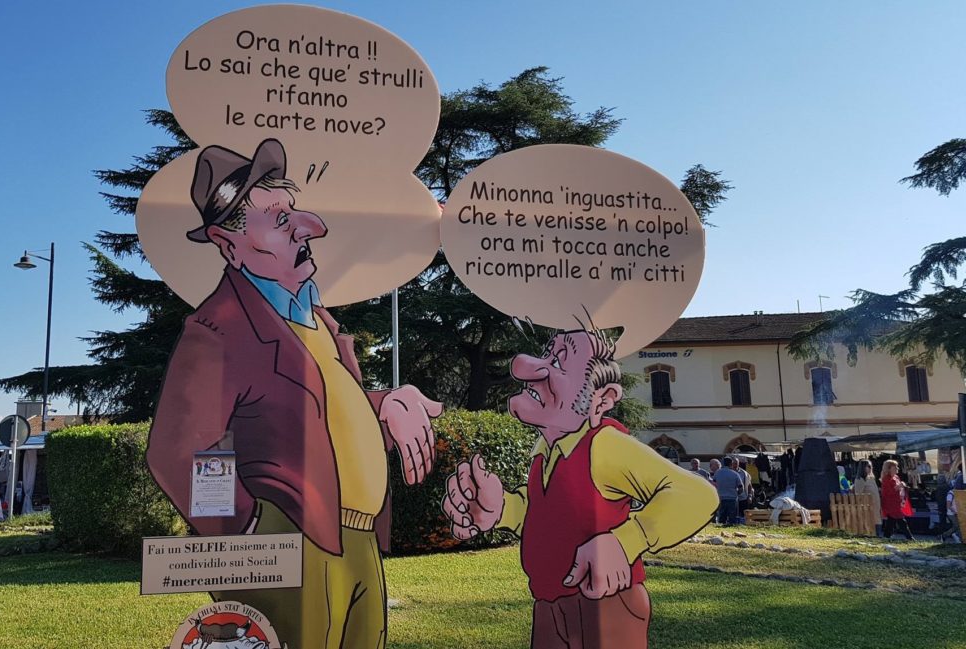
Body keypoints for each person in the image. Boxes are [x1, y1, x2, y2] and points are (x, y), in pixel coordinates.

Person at [147, 138, 443, 648]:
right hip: (294, 544)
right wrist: (250, 530)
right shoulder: (219, 330)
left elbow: (320, 409)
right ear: (228, 243)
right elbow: (180, 451)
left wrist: (385, 405)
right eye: (281, 219)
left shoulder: (315, 317)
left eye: (294, 211)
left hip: (357, 541)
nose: (311, 226)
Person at [441, 329, 717, 649]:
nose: (528, 368)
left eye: (559, 362)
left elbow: (698, 495)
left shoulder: (605, 444)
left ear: (602, 399)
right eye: (547, 355)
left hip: (603, 605)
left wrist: (626, 541)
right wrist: (501, 508)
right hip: (549, 604)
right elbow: (547, 511)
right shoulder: (545, 450)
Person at [880, 459, 914, 540]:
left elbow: (899, 489)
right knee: (900, 520)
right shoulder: (886, 479)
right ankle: (909, 538)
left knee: (891, 521)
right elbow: (887, 492)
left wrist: (903, 487)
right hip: (890, 504)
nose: (897, 468)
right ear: (889, 468)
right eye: (895, 467)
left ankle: (886, 536)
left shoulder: (896, 477)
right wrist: (899, 487)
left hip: (897, 503)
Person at [853, 460, 882, 537]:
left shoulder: (871, 479)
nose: (870, 468)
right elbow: (858, 495)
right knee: (873, 527)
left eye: (871, 466)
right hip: (868, 509)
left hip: (876, 507)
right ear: (863, 467)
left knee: (878, 523)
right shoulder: (860, 480)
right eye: (868, 466)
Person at [713, 457, 743, 526]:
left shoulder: (717, 473)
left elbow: (713, 484)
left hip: (721, 498)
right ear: (731, 464)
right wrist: (737, 493)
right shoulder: (735, 474)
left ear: (722, 463)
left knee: (721, 518)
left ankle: (721, 527)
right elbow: (741, 487)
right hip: (732, 498)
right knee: (732, 519)